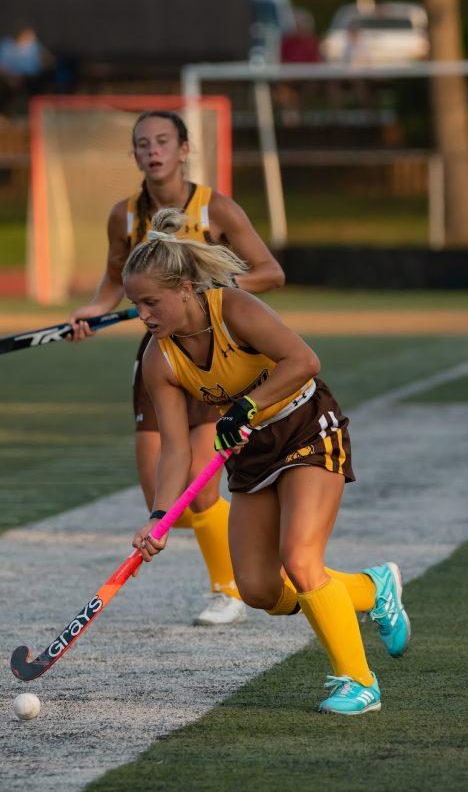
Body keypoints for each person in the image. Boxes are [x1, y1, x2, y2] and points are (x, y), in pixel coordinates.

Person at [126, 207, 411, 715]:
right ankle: (372, 588)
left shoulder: (233, 308)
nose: (144, 315)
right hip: (251, 450)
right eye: (137, 305)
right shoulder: (159, 358)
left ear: (185, 288)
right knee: (258, 589)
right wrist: (160, 516)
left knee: (300, 559)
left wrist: (247, 407)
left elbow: (304, 361)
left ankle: (359, 682)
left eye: (151, 302)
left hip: (305, 428)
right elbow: (175, 447)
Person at [68, 110, 285, 626]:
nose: (153, 151)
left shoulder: (216, 209)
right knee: (161, 494)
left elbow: (271, 272)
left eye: (163, 141)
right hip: (160, 356)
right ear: (135, 154)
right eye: (142, 144)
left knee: (203, 485)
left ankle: (227, 587)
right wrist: (92, 315)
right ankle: (243, 558)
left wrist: (218, 292)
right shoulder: (123, 216)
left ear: (184, 149)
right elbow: (111, 283)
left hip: (212, 353)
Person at [0, 23, 53, 117]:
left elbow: (47, 60)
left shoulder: (33, 44)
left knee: (38, 88)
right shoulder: (6, 45)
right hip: (11, 77)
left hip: (31, 77)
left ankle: (39, 115)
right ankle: (0, 116)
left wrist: (45, 61)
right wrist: (10, 76)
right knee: (7, 90)